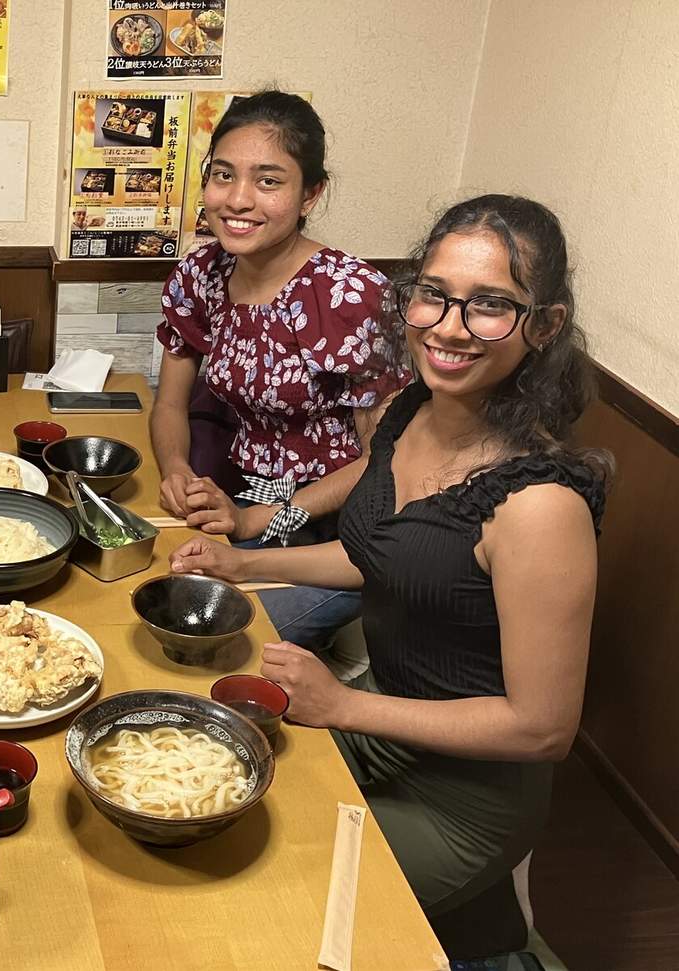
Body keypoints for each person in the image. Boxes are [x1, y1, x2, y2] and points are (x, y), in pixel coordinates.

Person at [170, 195, 609, 953]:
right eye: (433, 294)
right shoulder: (410, 410)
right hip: (382, 719)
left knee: (267, 913)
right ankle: (476, 924)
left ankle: (481, 920)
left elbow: (542, 727)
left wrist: (342, 703)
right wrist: (244, 560)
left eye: (490, 305)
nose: (448, 326)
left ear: (544, 326)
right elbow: (377, 556)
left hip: (463, 797)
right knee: (205, 791)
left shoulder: (540, 504)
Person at [150, 91, 409, 651]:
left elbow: (385, 460)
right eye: (223, 175)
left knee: (219, 640)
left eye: (268, 181)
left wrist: (261, 521)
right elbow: (169, 403)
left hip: (336, 536)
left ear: (311, 193)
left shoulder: (351, 295)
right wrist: (176, 471)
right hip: (241, 500)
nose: (238, 199)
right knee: (157, 609)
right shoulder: (201, 273)